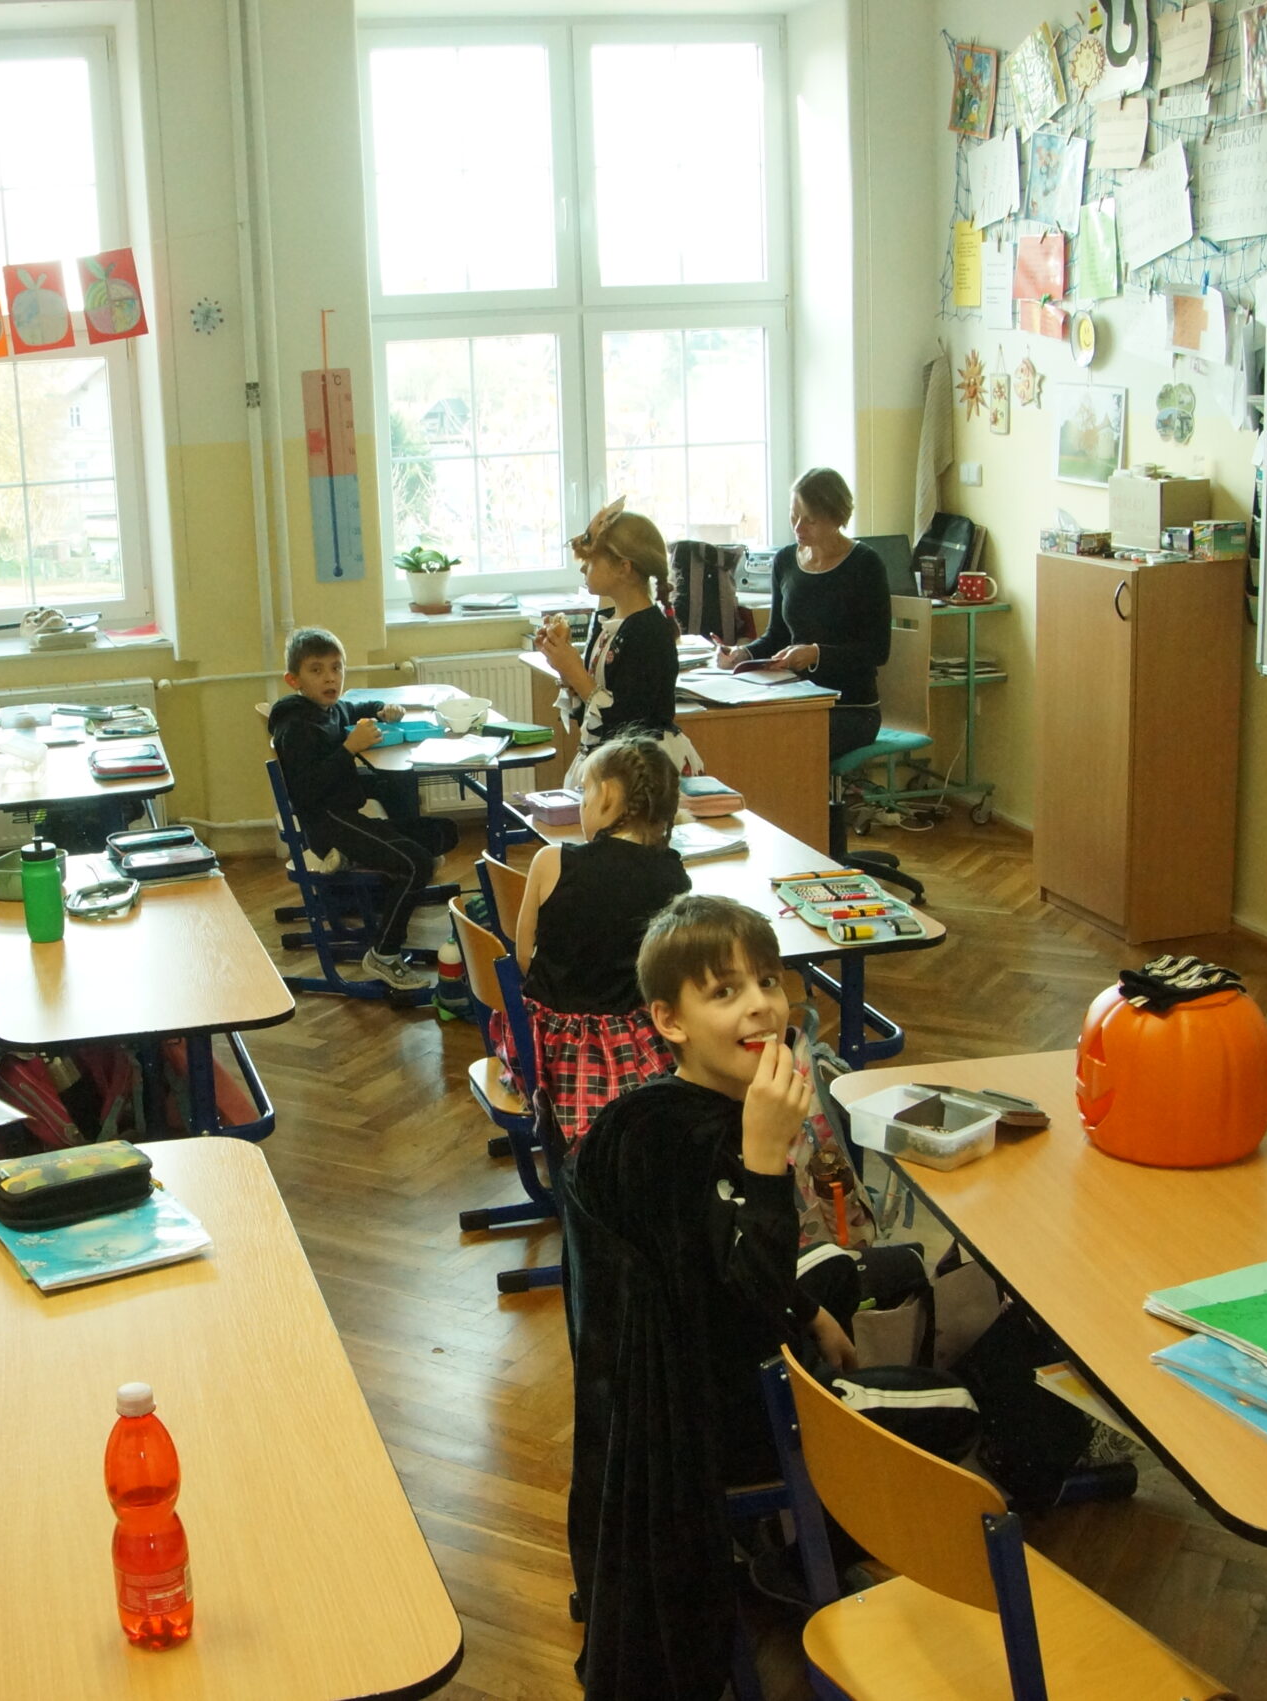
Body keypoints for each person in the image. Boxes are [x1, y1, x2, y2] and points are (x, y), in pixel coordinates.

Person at [565, 894, 918, 1701]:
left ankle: (800, 1539)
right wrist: (764, 1158)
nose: (761, 1003)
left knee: (883, 1272)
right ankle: (803, 1550)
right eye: (724, 991)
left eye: (767, 979)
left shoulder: (664, 1109)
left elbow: (721, 1277)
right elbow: (741, 1309)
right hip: (716, 1423)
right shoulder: (695, 1140)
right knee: (949, 1407)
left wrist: (810, 1309)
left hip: (705, 1365)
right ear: (670, 1021)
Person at [511, 735, 690, 1152]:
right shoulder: (674, 877)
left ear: (606, 794)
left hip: (547, 1049)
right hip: (637, 1045)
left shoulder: (552, 861)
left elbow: (523, 957)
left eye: (584, 791)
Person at [266, 626, 456, 993]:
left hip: (345, 814)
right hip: (327, 823)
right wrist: (348, 749)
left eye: (336, 668)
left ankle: (366, 867)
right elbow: (305, 792)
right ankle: (384, 953)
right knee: (416, 863)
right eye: (317, 670)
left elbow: (355, 708)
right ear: (294, 680)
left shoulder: (329, 708)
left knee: (444, 831)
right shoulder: (296, 726)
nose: (330, 678)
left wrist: (383, 710)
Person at [714, 467, 890, 761]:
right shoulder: (785, 560)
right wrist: (742, 654)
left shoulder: (865, 564)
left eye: (810, 520)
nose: (798, 527)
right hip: (794, 697)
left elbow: (878, 651)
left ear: (837, 518)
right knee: (741, 732)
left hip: (851, 709)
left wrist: (816, 654)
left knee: (781, 745)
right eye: (793, 516)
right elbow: (777, 636)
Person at [536, 499, 700, 786]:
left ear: (624, 567)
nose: (583, 569)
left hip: (642, 769)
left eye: (591, 561)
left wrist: (574, 670)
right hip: (609, 759)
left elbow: (625, 722)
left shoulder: (650, 631)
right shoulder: (606, 622)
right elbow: (590, 716)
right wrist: (563, 664)